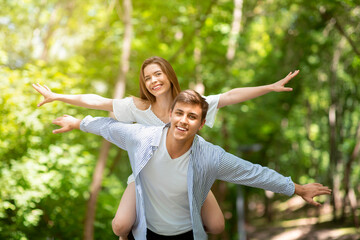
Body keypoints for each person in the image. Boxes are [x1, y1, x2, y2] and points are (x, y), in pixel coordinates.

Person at [33, 56, 300, 238]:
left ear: (169, 76)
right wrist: (59, 97)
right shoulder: (136, 107)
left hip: (189, 172)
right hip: (147, 176)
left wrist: (269, 87)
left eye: (157, 74)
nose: (153, 81)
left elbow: (230, 96)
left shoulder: (191, 103)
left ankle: (192, 204)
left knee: (217, 225)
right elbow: (98, 102)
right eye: (147, 78)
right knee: (121, 225)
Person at [51, 89, 331, 240]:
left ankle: (201, 187)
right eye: (180, 113)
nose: (184, 120)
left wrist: (296, 188)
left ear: (201, 123)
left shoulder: (210, 156)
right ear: (171, 114)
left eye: (192, 117)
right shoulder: (141, 136)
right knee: (120, 225)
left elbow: (252, 172)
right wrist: (77, 122)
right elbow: (108, 127)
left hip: (189, 233)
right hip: (148, 232)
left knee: (218, 226)